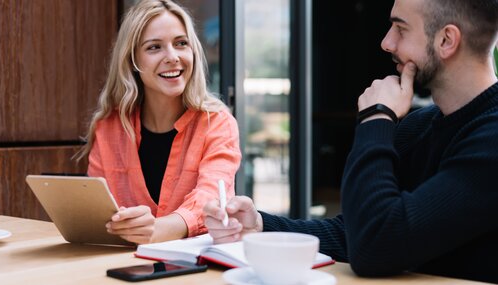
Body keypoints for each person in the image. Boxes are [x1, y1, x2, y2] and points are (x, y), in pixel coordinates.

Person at [203, 0, 498, 282]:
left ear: (447, 40)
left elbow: (375, 246)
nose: (387, 42)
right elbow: (355, 233)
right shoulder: (421, 126)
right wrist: (261, 226)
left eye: (401, 28)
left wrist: (375, 119)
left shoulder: (490, 140)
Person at [77, 0, 241, 245]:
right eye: (155, 47)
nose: (173, 57)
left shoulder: (218, 123)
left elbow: (210, 200)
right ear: (132, 60)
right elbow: (97, 212)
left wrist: (154, 229)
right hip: (122, 269)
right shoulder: (109, 127)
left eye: (181, 43)